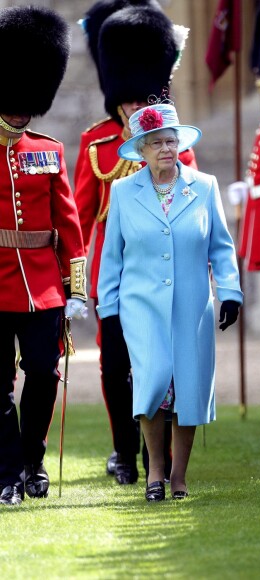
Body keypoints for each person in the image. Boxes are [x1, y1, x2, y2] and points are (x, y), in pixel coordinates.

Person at [75, 0, 197, 485]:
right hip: (115, 270)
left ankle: (159, 458)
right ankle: (124, 451)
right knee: (115, 364)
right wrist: (75, 282)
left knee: (162, 363)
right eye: (125, 99)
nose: (131, 106)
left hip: (163, 267)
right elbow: (79, 220)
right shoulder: (96, 144)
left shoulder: (177, 146)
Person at [97, 102, 243, 501]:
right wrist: (108, 310)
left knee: (188, 390)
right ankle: (154, 473)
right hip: (140, 306)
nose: (165, 148)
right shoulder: (124, 192)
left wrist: (229, 291)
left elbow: (222, 248)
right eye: (156, 142)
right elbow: (112, 258)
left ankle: (178, 477)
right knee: (153, 382)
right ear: (140, 150)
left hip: (192, 306)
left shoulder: (206, 186)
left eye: (170, 141)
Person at [0, 6, 87, 506]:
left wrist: (76, 288)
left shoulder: (48, 150)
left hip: (43, 285)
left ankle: (31, 458)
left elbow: (69, 225)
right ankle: (7, 470)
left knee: (43, 374)